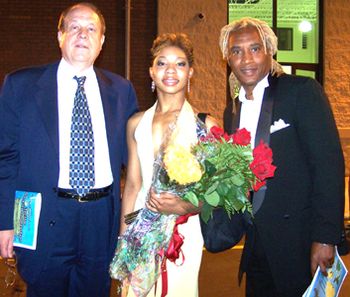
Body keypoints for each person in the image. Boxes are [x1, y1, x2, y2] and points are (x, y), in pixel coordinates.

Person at [0, 2, 138, 297]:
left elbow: (137, 159)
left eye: (91, 29)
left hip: (101, 220)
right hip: (43, 215)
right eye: (74, 27)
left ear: (102, 41)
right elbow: (6, 158)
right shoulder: (20, 85)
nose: (82, 34)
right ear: (59, 36)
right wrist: (5, 223)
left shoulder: (121, 91)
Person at [219, 17, 344, 296]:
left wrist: (325, 237)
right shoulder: (232, 111)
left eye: (254, 48)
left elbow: (328, 167)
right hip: (256, 246)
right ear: (228, 58)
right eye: (236, 51)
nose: (246, 59)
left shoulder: (301, 92)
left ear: (269, 51)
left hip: (298, 241)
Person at [119, 33, 218, 297]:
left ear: (190, 73)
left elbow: (216, 194)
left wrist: (183, 205)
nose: (171, 70)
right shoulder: (135, 124)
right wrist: (123, 244)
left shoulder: (205, 126)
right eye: (162, 63)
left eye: (180, 63)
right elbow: (132, 186)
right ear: (151, 72)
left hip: (183, 231)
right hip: (139, 229)